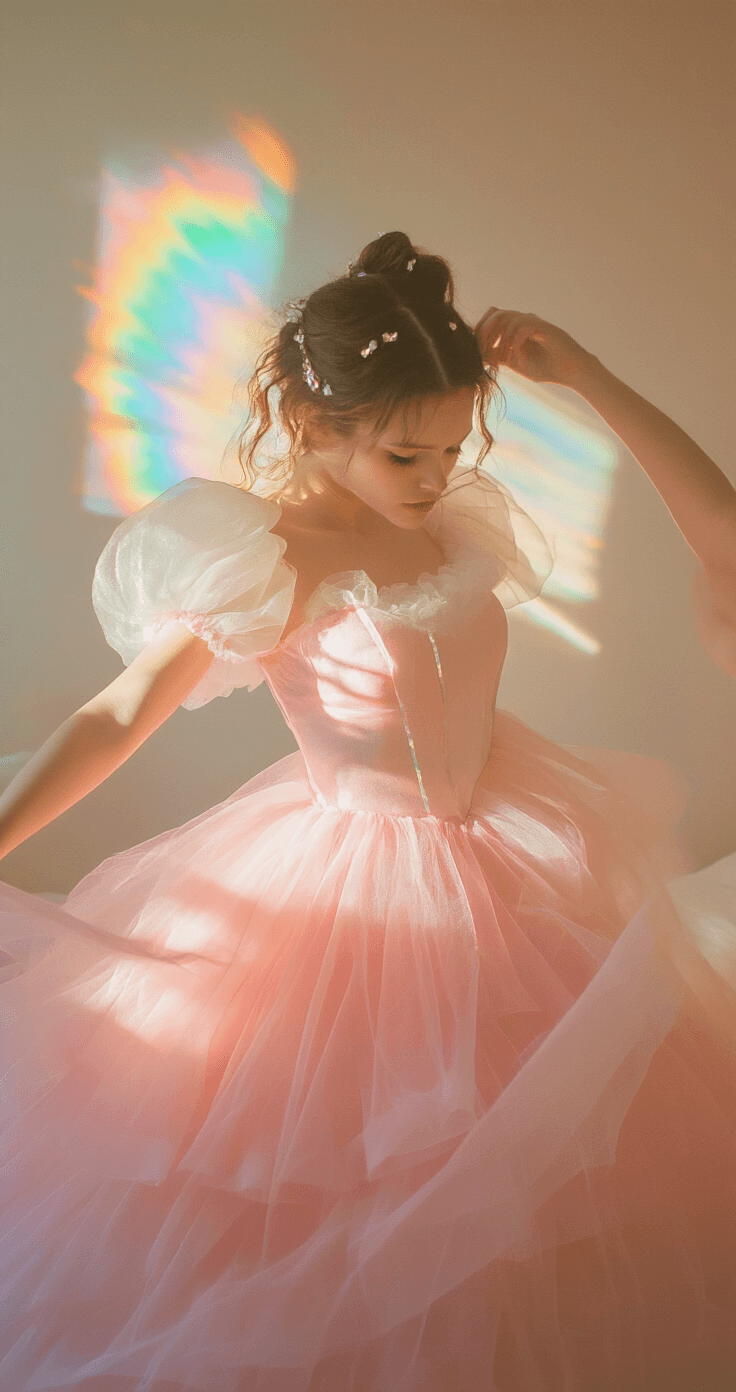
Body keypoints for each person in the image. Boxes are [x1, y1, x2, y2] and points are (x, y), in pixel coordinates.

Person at [1, 230, 735, 1392]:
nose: (437, 475)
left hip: (512, 848)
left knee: (552, 1168)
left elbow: (721, 543)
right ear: (309, 424)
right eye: (406, 454)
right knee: (344, 1184)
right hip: (347, 879)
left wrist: (580, 377)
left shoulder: (448, 521)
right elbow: (119, 713)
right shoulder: (265, 555)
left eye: (453, 448)